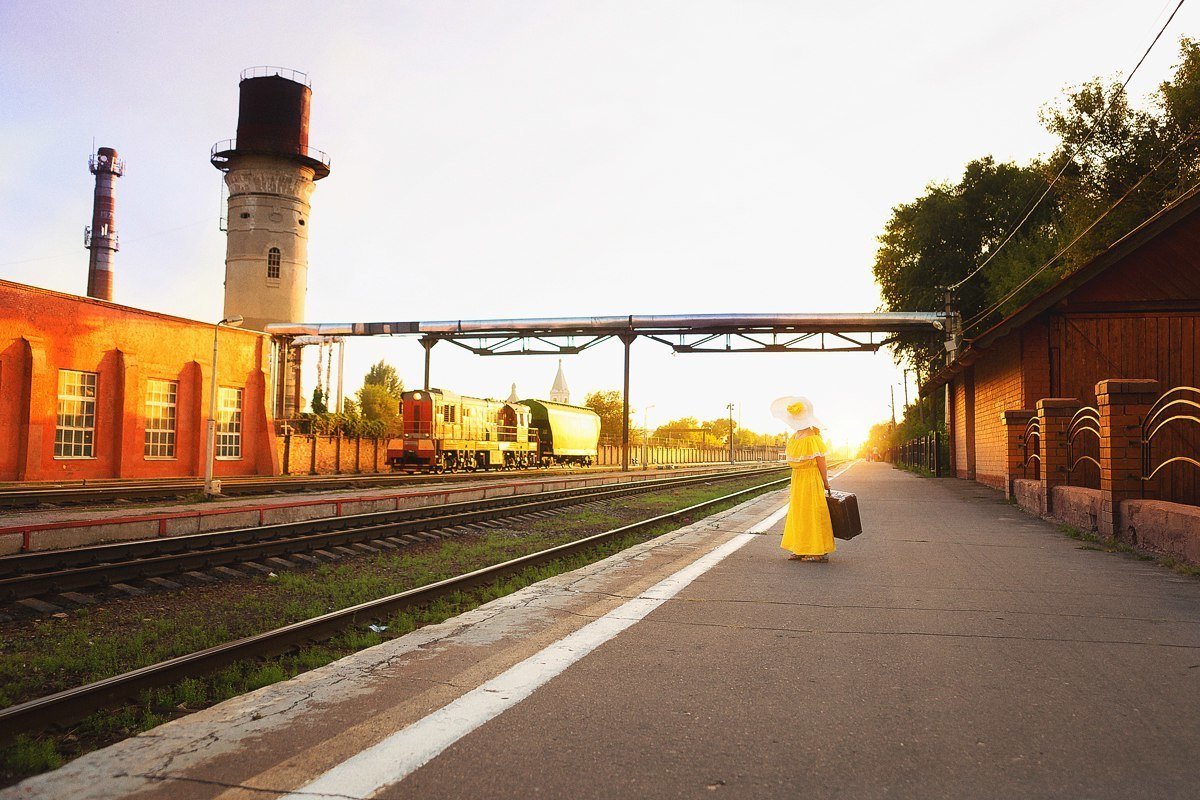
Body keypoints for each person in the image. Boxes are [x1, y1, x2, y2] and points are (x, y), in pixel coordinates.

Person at [770, 395, 834, 562]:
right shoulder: (794, 436)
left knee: (813, 512)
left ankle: (818, 551)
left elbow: (821, 461)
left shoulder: (813, 438)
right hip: (798, 479)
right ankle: (800, 548)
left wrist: (825, 480)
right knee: (799, 513)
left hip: (811, 479)